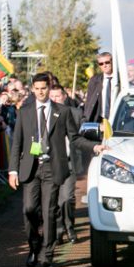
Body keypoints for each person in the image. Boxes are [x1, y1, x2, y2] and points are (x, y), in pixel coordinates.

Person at [8, 73, 105, 267]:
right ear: (32, 89)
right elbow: (17, 142)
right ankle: (34, 246)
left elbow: (75, 138)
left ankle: (47, 254)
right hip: (31, 167)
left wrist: (94, 147)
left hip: (52, 167)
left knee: (49, 210)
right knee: (29, 209)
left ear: (49, 89)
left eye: (44, 88)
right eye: (37, 88)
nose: (41, 91)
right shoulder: (25, 112)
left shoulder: (62, 112)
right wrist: (12, 170)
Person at [49, 85, 79, 243]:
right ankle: (59, 229)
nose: (55, 99)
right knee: (53, 200)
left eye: (57, 96)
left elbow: (81, 135)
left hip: (69, 163)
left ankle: (69, 226)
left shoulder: (75, 113)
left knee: (66, 198)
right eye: (51, 96)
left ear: (64, 97)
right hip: (50, 164)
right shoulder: (44, 115)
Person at [83, 52, 118, 123]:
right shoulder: (94, 81)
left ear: (112, 62)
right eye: (101, 64)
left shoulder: (120, 79)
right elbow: (89, 102)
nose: (104, 65)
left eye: (107, 62)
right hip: (100, 120)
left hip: (118, 119)